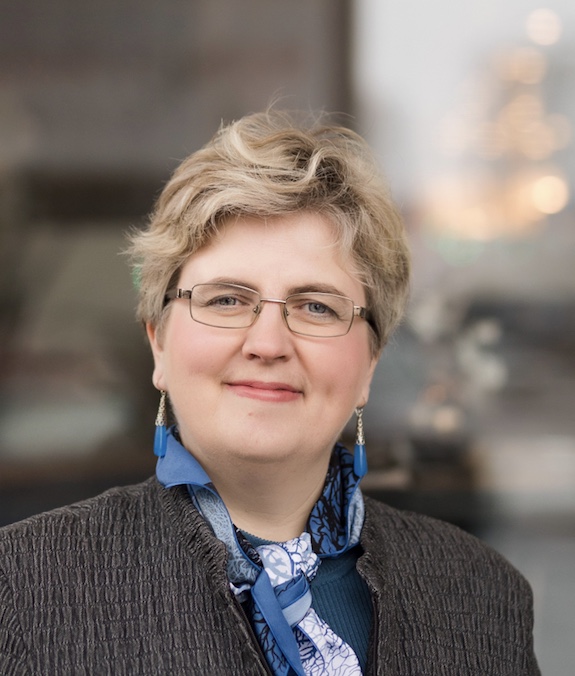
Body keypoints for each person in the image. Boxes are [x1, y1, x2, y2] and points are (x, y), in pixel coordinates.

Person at [0, 110, 539, 675]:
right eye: (226, 300)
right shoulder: (23, 590)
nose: (267, 343)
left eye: (316, 307)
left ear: (370, 363)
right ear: (158, 342)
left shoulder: (484, 597)